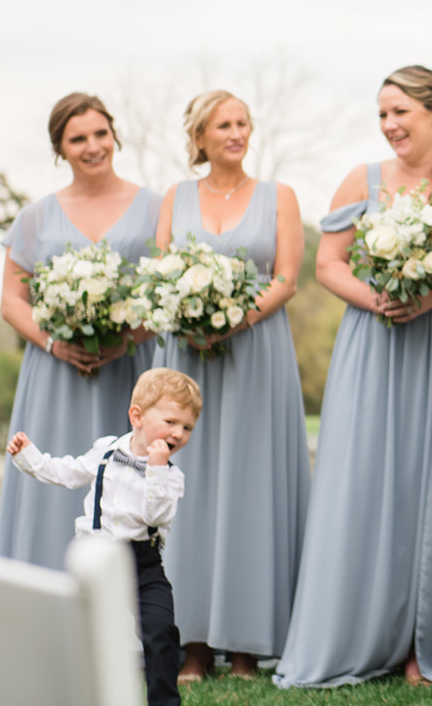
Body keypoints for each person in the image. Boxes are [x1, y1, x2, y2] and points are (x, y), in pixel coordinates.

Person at [274, 66, 432, 689]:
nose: (390, 126)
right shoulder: (363, 180)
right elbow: (328, 264)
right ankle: (365, 631)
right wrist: (377, 299)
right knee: (369, 482)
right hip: (373, 347)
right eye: (382, 114)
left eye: (400, 112)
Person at [153, 90, 310, 681]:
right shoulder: (176, 197)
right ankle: (192, 642)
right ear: (200, 137)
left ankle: (247, 645)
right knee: (186, 492)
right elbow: (162, 271)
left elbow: (288, 278)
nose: (237, 132)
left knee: (250, 489)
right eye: (224, 124)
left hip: (255, 354)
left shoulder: (280, 197)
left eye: (244, 122)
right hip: (185, 358)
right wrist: (194, 323)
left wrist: (229, 321)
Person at [0, 93, 159, 571]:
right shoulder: (35, 217)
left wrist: (126, 339)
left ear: (114, 135)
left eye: (100, 134)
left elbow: (163, 288)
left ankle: (132, 617)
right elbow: (11, 298)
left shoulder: (155, 207)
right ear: (60, 149)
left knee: (129, 490)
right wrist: (54, 343)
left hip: (127, 370)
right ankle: (41, 597)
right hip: (54, 374)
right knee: (48, 480)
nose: (92, 146)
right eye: (77, 139)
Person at [7, 367, 203, 706]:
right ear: (137, 416)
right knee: (84, 632)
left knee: (161, 632)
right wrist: (29, 456)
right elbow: (68, 472)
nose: (179, 433)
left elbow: (155, 515)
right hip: (96, 558)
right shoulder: (107, 451)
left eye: (187, 427)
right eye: (171, 422)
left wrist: (156, 468)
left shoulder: (172, 476)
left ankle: (164, 701)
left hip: (144, 564)